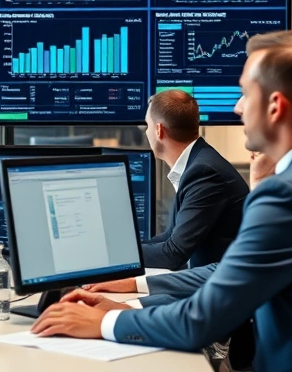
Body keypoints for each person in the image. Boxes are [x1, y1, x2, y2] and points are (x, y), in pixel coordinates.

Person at [32, 30, 292, 371]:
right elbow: (224, 274)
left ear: (275, 107)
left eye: (243, 94)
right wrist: (128, 298)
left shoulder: (290, 196)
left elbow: (200, 324)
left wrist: (101, 324)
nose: (237, 108)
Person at [95, 89, 249, 279]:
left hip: (213, 289)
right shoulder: (198, 162)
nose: (147, 132)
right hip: (202, 281)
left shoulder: (204, 172)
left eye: (147, 125)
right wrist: (123, 249)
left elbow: (173, 254)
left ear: (159, 130)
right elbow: (169, 237)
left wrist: (111, 256)